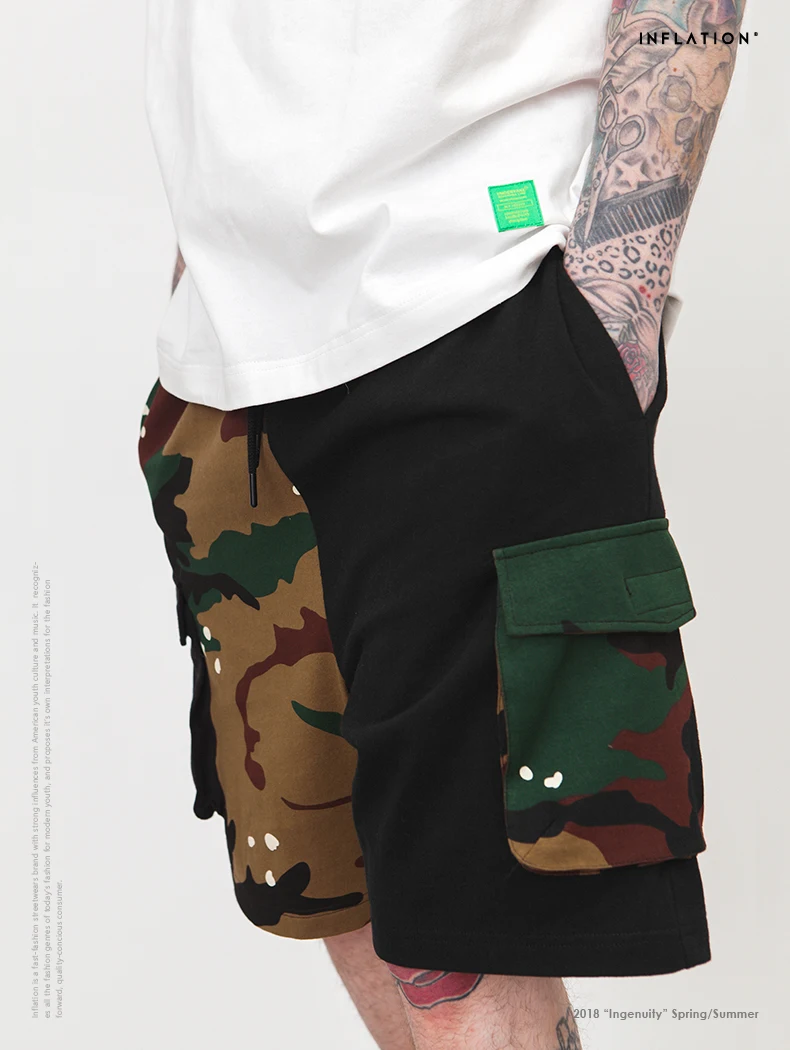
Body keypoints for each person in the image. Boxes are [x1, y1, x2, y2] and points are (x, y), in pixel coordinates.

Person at [138, 2, 746, 1047]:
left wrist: (620, 299)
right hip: (229, 366)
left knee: (469, 954)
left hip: (466, 301)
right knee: (353, 900)